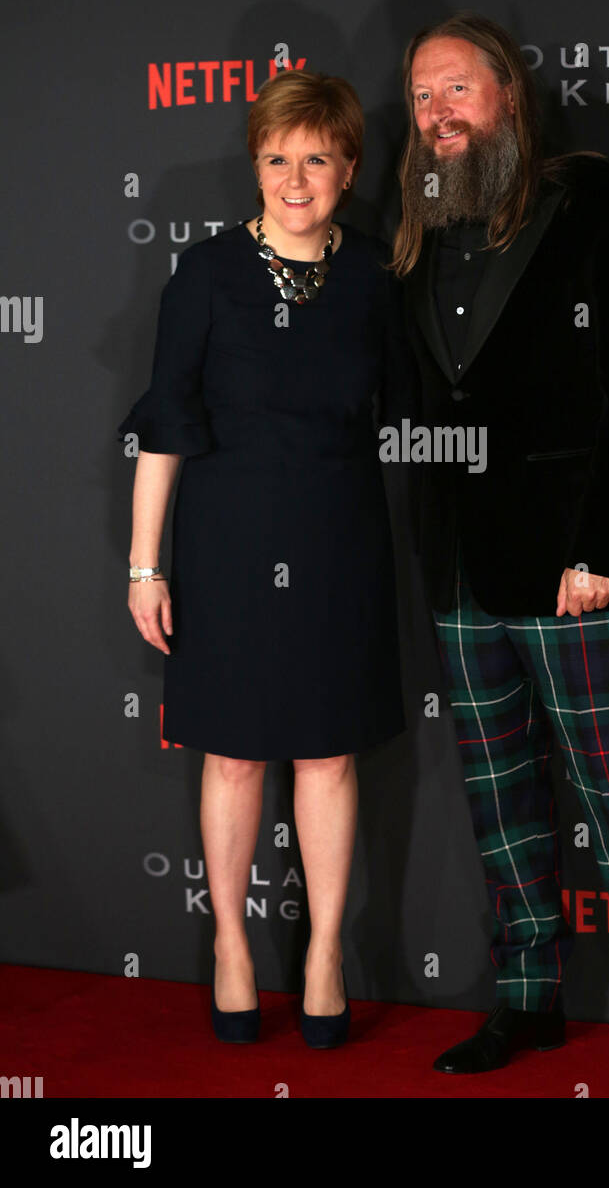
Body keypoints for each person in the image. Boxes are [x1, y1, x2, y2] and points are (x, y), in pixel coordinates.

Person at [393, 11, 609, 1097]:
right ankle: (525, 1003)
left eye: (456, 92)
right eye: (421, 97)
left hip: (578, 561)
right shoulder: (415, 221)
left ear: (507, 99)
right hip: (463, 567)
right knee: (497, 793)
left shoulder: (599, 201)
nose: (436, 114)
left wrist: (605, 544)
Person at [118, 69, 410, 1048]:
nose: (295, 177)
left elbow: (415, 408)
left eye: (316, 158)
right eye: (276, 157)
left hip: (338, 535)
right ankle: (232, 948)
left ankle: (325, 951)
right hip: (226, 538)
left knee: (327, 752)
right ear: (254, 164)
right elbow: (166, 427)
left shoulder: (374, 274)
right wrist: (142, 566)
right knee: (234, 753)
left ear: (348, 168)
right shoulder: (203, 274)